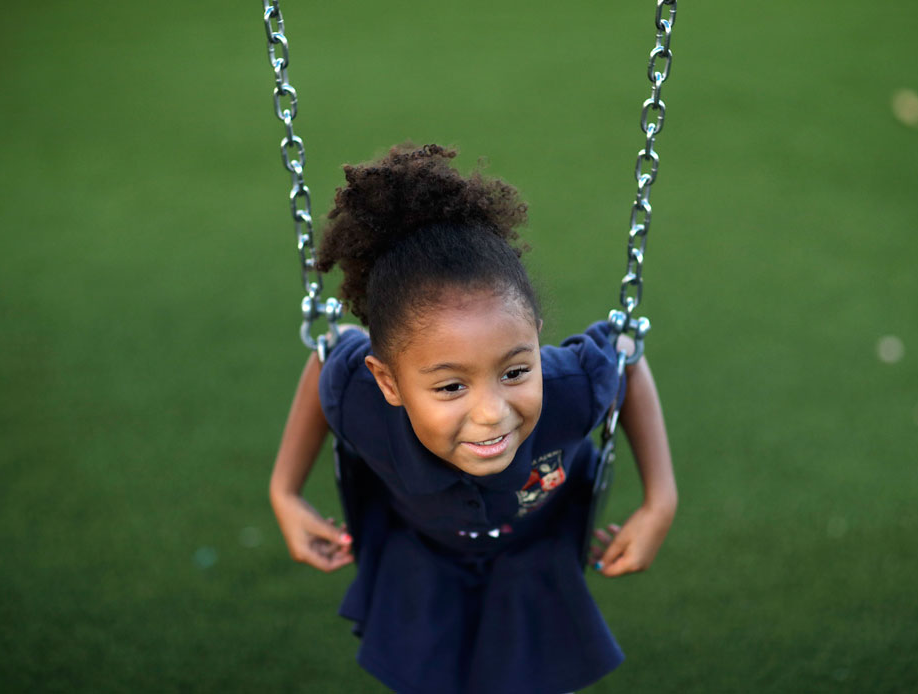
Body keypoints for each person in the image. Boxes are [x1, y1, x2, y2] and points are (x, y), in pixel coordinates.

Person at [270, 143, 677, 694]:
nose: (492, 413)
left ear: (535, 337)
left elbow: (625, 355)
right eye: (451, 386)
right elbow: (328, 355)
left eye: (514, 371)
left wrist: (660, 499)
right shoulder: (364, 398)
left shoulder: (569, 388)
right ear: (389, 382)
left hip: (532, 551)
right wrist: (285, 491)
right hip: (421, 553)